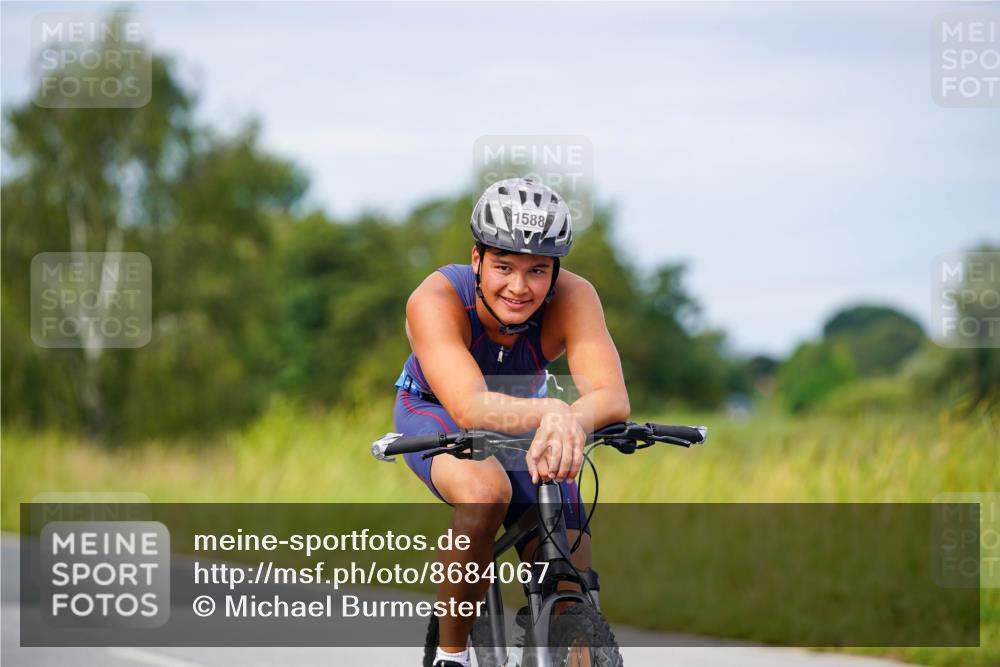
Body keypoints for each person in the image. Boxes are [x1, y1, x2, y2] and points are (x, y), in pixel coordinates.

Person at [392, 177, 630, 667]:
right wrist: (554, 412)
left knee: (569, 572)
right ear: (476, 260)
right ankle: (452, 656)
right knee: (485, 493)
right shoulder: (435, 298)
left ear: (555, 270)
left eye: (537, 271)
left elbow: (611, 395)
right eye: (503, 266)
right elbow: (471, 409)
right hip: (437, 408)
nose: (519, 287)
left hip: (529, 420)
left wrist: (568, 420)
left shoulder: (575, 297)